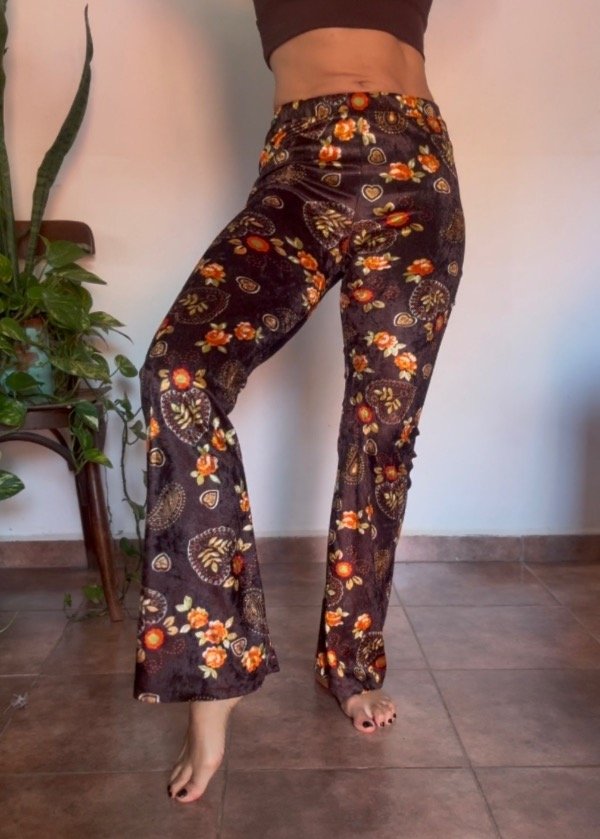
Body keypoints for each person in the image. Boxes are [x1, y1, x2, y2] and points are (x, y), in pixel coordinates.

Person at [134, 0, 465, 805]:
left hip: (417, 172)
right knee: (180, 373)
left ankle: (351, 661)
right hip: (302, 170)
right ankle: (212, 671)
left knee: (382, 434)